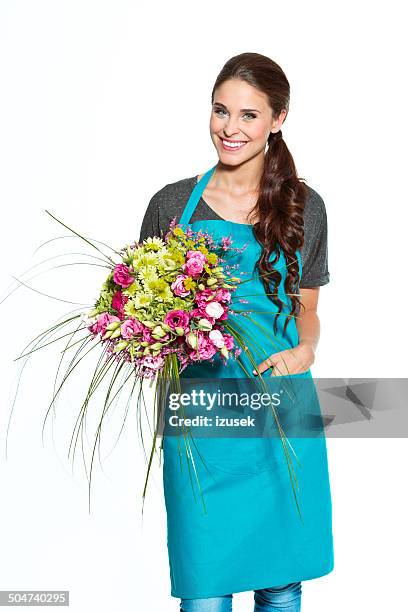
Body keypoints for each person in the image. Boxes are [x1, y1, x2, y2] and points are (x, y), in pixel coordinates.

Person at [138, 52, 334, 612]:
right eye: (221, 111)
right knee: (205, 587)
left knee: (280, 585)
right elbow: (142, 306)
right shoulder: (172, 205)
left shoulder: (304, 207)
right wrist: (145, 327)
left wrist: (306, 348)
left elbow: (308, 307)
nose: (230, 128)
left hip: (280, 405)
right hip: (199, 411)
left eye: (249, 115)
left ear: (278, 118)